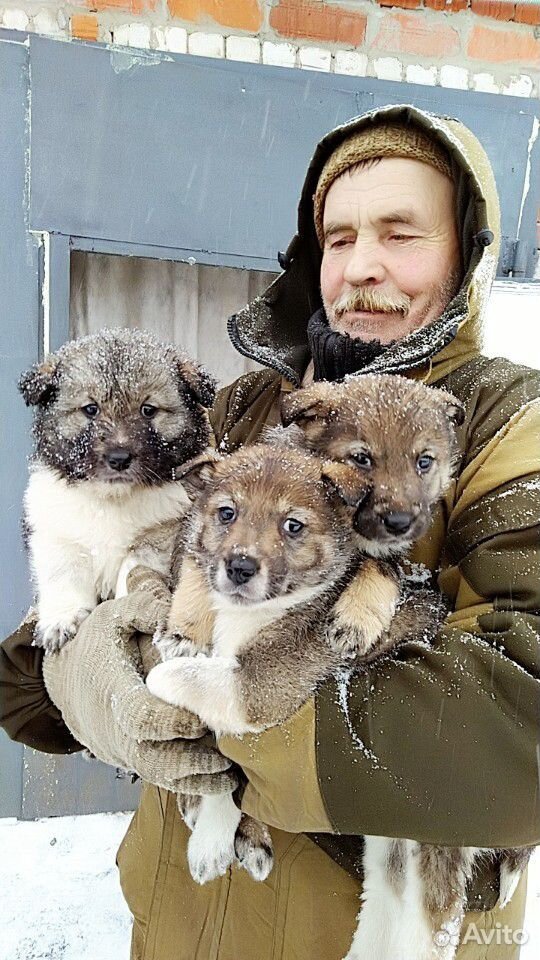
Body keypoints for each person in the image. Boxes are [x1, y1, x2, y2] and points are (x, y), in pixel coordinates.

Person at [2, 104, 539, 960]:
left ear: (466, 252)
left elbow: (522, 723)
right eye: (338, 238)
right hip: (175, 920)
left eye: (401, 233)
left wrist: (230, 706)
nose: (363, 266)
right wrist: (78, 673)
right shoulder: (238, 409)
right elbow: (114, 572)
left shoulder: (508, 423)